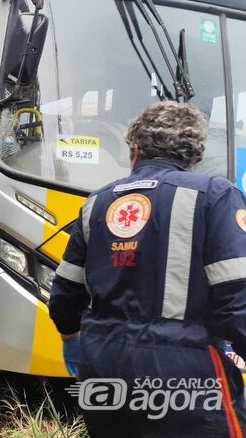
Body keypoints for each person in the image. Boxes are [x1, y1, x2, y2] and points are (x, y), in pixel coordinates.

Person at [50, 101, 246, 437]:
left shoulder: (96, 202)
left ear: (135, 150)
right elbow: (237, 297)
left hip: (102, 363)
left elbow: (65, 297)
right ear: (194, 153)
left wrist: (76, 345)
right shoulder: (215, 195)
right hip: (184, 368)